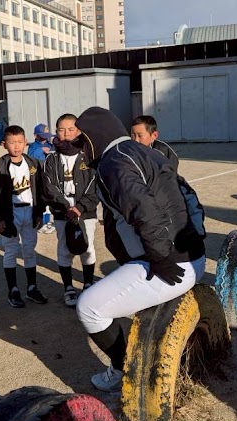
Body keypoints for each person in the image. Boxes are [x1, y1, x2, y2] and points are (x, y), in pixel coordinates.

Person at [74, 107, 206, 392]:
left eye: (83, 142)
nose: (82, 151)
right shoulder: (144, 151)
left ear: (96, 136)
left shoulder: (114, 161)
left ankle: (124, 369)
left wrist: (162, 258)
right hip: (188, 255)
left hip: (170, 264)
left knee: (89, 308)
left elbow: (145, 211)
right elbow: (188, 196)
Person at [0, 125, 48, 308]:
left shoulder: (32, 163)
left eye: (20, 142)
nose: (16, 146)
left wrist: (39, 212)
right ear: (4, 144)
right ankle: (13, 290)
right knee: (11, 250)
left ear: (25, 142)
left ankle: (32, 288)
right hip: (10, 213)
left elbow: (40, 189)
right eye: (12, 142)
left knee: (29, 249)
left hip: (29, 211)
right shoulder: (1, 166)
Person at [42, 113, 99, 308]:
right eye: (61, 129)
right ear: (56, 131)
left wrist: (80, 207)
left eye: (71, 129)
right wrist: (66, 207)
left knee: (87, 248)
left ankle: (88, 284)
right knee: (64, 249)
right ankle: (68, 287)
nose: (66, 133)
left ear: (79, 131)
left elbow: (95, 185)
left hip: (85, 210)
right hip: (62, 211)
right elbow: (48, 186)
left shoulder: (89, 156)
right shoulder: (51, 159)